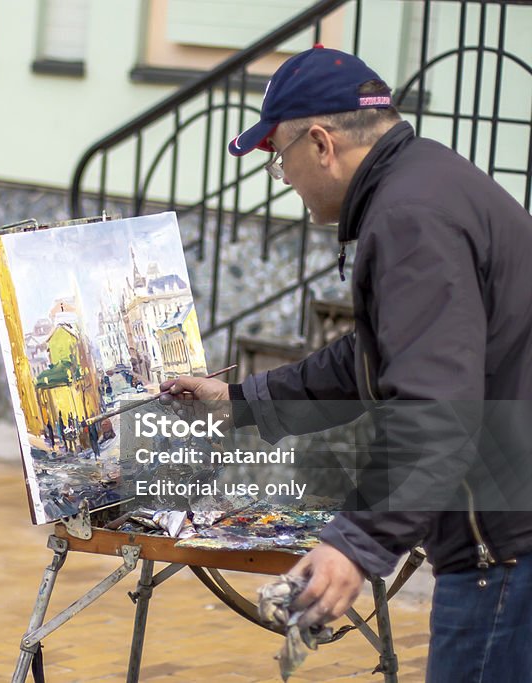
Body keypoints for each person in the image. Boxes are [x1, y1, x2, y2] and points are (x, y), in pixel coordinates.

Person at [161, 46, 532, 682]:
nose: (286, 178)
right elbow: (376, 353)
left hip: (505, 551)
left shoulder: (411, 218)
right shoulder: (426, 182)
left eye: (280, 159)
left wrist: (356, 543)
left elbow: (436, 408)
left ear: (322, 143)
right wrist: (244, 402)